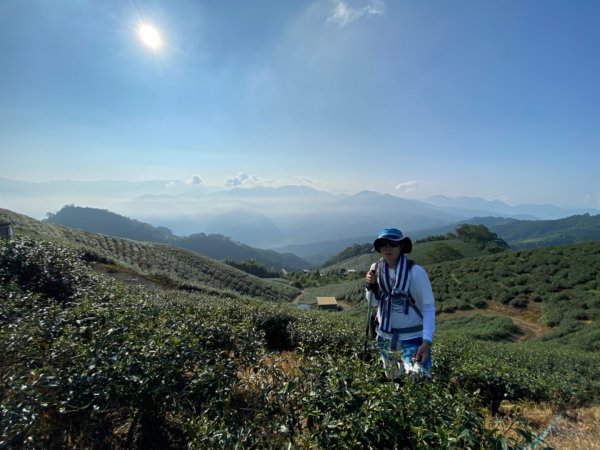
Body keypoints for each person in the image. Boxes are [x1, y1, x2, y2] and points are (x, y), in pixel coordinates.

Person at [365, 227, 435, 379]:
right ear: (378, 248)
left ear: (401, 246)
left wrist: (427, 341)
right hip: (384, 336)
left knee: (418, 380)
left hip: (412, 338)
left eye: (393, 244)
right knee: (392, 379)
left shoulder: (416, 272)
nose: (388, 248)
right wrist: (370, 286)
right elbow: (374, 301)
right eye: (383, 244)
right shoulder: (376, 269)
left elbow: (429, 308)